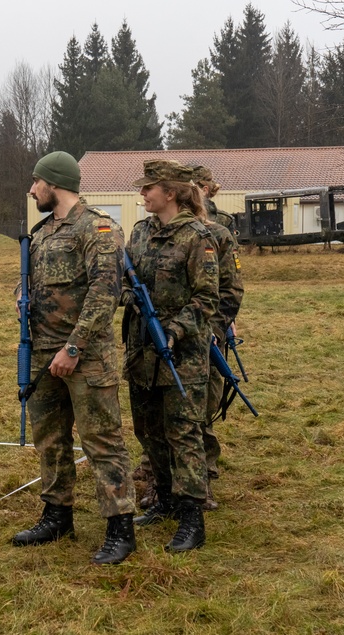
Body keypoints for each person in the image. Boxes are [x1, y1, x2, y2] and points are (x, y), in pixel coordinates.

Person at [10, 151, 136, 566]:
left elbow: (105, 293)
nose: (32, 190)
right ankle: (57, 515)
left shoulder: (97, 228)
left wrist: (74, 347)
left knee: (101, 441)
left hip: (85, 357)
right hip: (42, 353)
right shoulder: (43, 232)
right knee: (50, 439)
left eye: (36, 182)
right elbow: (30, 279)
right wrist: (20, 297)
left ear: (55, 183)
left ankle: (120, 528)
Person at [125, 159, 218, 552]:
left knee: (184, 435)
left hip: (183, 355)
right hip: (141, 350)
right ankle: (163, 499)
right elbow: (125, 281)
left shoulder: (198, 237)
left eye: (149, 188)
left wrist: (174, 331)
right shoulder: (140, 232)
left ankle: (191, 517)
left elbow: (206, 298)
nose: (143, 194)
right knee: (148, 431)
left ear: (172, 193)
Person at [191, 165, 244, 510]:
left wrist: (223, 323)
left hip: (210, 326)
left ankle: (205, 469)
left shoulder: (220, 226)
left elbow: (230, 282)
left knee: (205, 402)